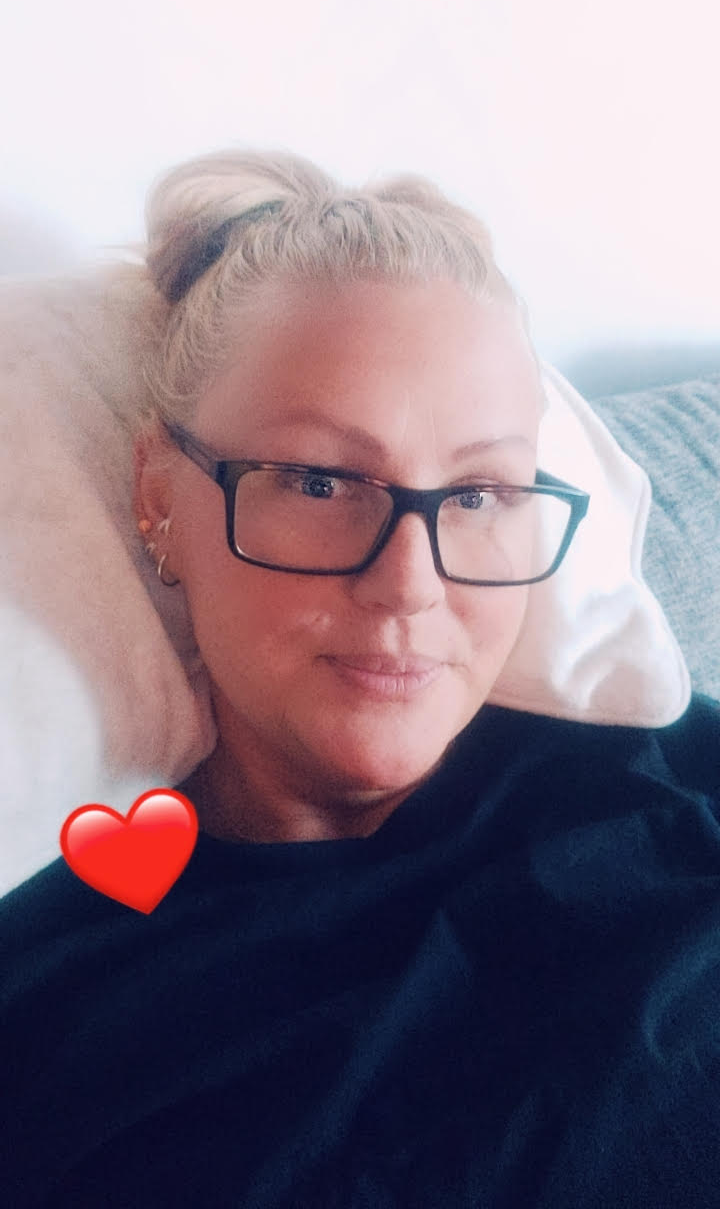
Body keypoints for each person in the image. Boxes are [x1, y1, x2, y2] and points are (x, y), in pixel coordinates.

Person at [1, 150, 719, 1209]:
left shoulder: (667, 773)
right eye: (320, 480)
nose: (409, 585)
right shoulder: (51, 996)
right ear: (158, 494)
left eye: (477, 494)